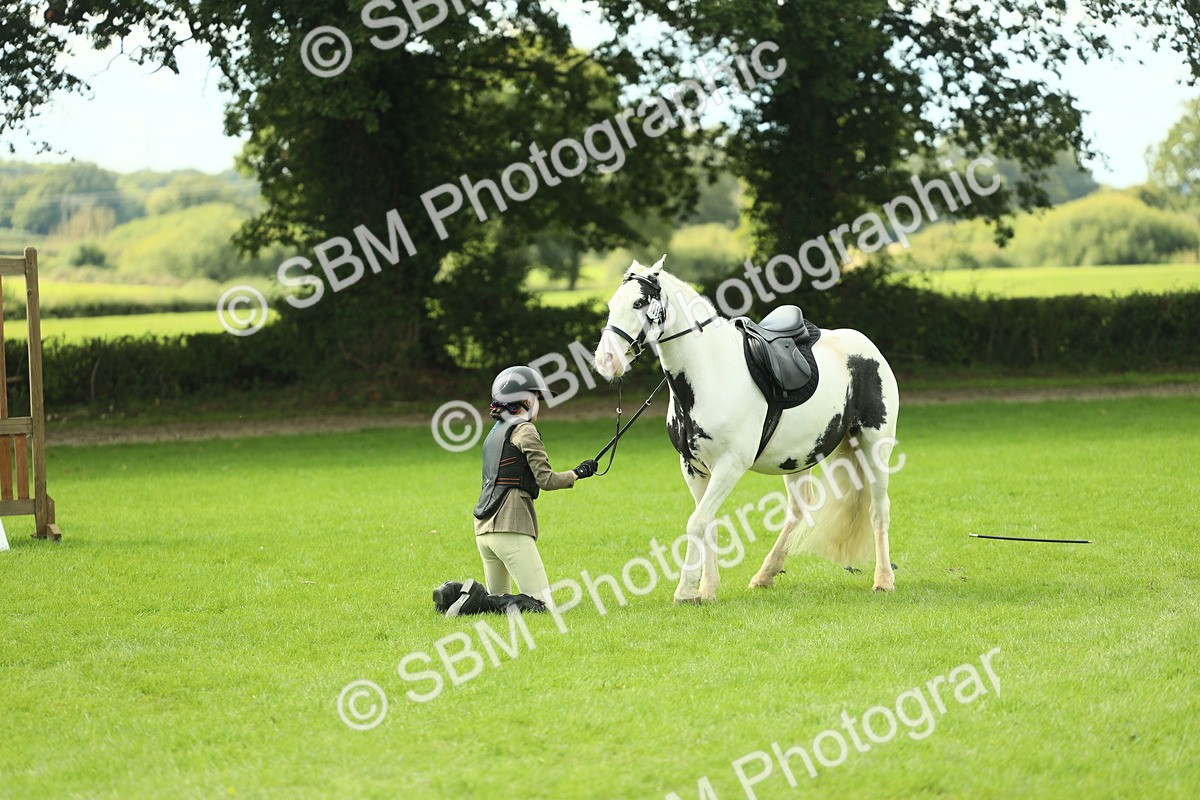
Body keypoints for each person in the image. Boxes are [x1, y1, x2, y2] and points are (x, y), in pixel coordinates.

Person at [473, 365, 597, 601]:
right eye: (538, 398)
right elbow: (546, 480)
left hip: (483, 529)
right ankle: (468, 598)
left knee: (496, 601)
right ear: (527, 401)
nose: (539, 405)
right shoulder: (525, 430)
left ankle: (461, 597)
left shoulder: (494, 433)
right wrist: (577, 473)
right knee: (541, 603)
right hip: (511, 527)